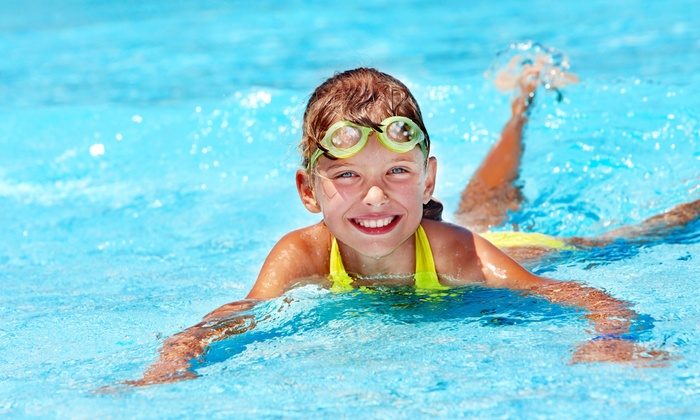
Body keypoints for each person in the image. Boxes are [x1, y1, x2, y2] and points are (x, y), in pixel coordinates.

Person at [127, 66, 693, 386]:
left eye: (397, 171)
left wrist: (610, 340)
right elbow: (233, 318)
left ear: (426, 182)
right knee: (490, 199)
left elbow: (585, 296)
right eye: (347, 177)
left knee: (631, 236)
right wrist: (175, 357)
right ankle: (521, 97)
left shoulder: (459, 255)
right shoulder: (299, 256)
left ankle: (526, 102)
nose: (375, 197)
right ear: (308, 191)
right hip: (458, 231)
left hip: (516, 249)